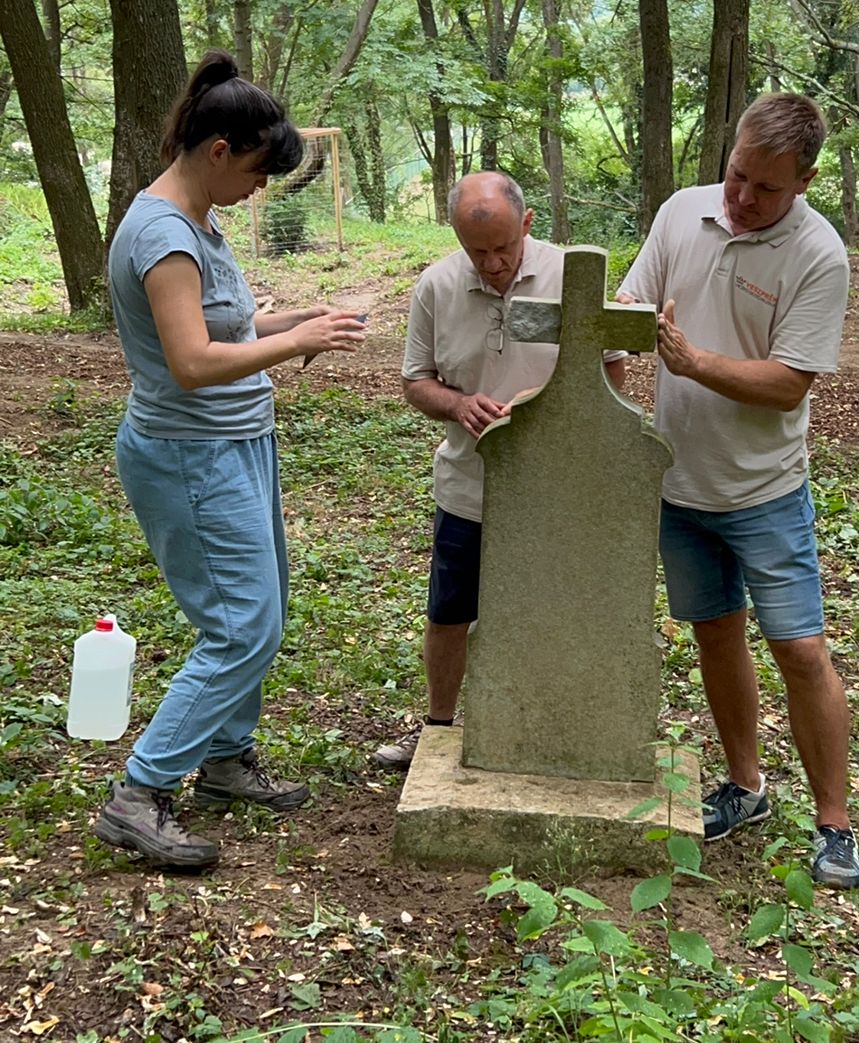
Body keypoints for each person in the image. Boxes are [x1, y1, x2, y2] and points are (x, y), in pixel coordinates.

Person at [94, 50, 366, 869]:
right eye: (253, 173)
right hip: (189, 454)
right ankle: (141, 791)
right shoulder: (161, 233)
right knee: (242, 624)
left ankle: (223, 761)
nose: (256, 190)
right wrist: (295, 344)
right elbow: (192, 359)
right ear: (217, 151)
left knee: (262, 605)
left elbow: (226, 321)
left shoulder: (198, 221)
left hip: (238, 442)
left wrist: (298, 314)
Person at [618, 93, 859, 889]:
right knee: (715, 635)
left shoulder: (819, 255)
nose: (741, 198)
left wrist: (693, 364)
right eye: (735, 175)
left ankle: (835, 825)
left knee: (800, 649)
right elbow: (630, 305)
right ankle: (746, 785)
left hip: (763, 491)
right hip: (678, 483)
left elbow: (791, 382)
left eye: (764, 188)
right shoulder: (681, 214)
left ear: (805, 181)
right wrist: (607, 332)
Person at [373, 171, 626, 770]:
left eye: (502, 249)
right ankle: (437, 727)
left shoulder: (573, 276)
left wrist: (544, 406)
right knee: (450, 610)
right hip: (469, 484)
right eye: (476, 251)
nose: (491, 264)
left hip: (554, 488)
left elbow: (612, 373)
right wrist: (459, 405)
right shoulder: (436, 286)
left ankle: (550, 726)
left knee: (554, 609)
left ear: (528, 224)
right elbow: (416, 381)